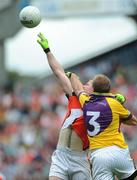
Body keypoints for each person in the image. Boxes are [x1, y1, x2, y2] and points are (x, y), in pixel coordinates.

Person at [37, 33, 92, 180]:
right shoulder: (73, 96)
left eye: (89, 84)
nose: (85, 85)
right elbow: (58, 71)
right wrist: (48, 51)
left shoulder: (96, 106)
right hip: (60, 155)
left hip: (80, 158)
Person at [69, 73, 137, 180]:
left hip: (98, 156)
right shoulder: (114, 103)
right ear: (108, 88)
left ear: (94, 89)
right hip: (118, 151)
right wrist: (118, 114)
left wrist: (72, 76)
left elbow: (78, 89)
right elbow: (134, 121)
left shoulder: (86, 102)